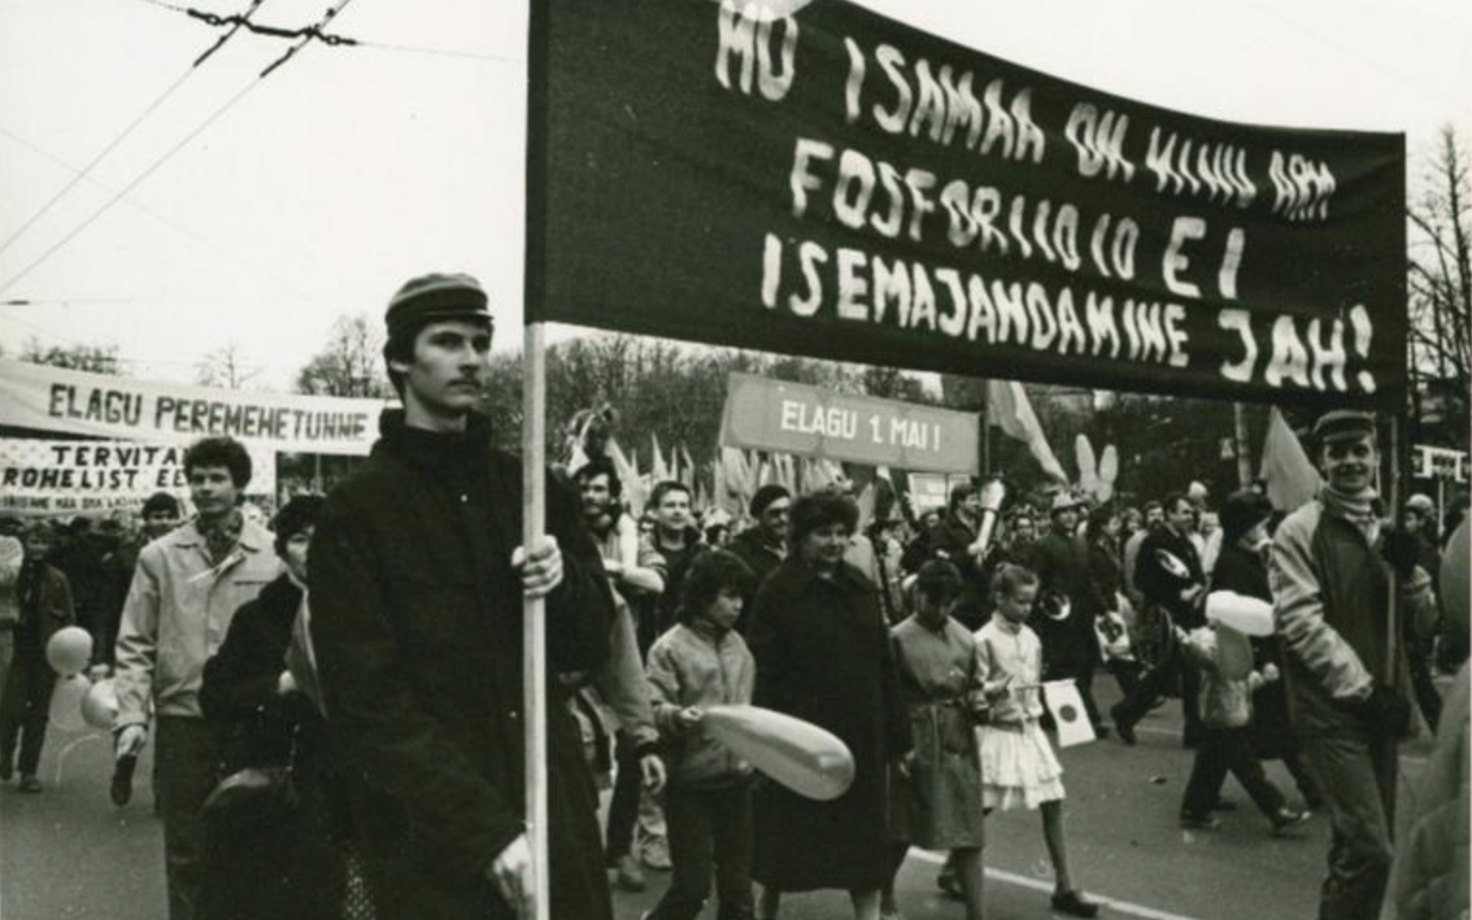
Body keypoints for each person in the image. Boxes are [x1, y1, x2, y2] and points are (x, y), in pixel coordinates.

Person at [307, 272, 615, 920]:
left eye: (480, 341)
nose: (472, 358)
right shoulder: (359, 509)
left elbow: (592, 645)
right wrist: (483, 831)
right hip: (436, 840)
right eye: (448, 341)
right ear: (400, 359)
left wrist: (563, 583)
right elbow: (367, 703)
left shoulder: (531, 489)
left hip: (553, 808)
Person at [1270, 410, 1436, 920]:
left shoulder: (1387, 531)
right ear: (1321, 460)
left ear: (1376, 457)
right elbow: (1301, 624)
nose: (1349, 462)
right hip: (1330, 712)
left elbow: (1424, 624)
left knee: (1356, 848)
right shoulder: (1298, 531)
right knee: (1371, 850)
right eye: (1337, 452)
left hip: (1381, 708)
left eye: (1359, 450)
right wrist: (1363, 691)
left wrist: (1412, 574)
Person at [113, 436, 283, 920]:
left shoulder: (271, 553)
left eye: (217, 478)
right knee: (187, 848)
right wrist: (132, 717)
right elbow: (135, 641)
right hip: (183, 719)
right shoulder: (159, 556)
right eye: (197, 479)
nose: (205, 488)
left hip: (252, 718)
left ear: (239, 484)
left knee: (253, 844)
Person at [197, 495, 378, 920]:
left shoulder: (370, 611)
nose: (314, 549)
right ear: (281, 549)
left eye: (325, 538)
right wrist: (277, 686)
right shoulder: (257, 617)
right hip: (278, 789)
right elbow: (215, 697)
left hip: (353, 786)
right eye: (300, 538)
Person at [747, 492, 908, 920]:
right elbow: (763, 670)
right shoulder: (778, 590)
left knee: (863, 843)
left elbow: (884, 661)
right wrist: (765, 741)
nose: (835, 542)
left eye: (841, 533)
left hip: (861, 735)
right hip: (802, 734)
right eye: (823, 533)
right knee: (786, 838)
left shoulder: (860, 586)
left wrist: (899, 737)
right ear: (801, 536)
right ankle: (768, 907)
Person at [974, 564, 1098, 918]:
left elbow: (1034, 683)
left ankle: (1064, 886)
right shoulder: (983, 639)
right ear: (999, 598)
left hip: (1029, 730)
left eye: (1031, 602)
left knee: (1053, 801)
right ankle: (955, 866)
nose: (1027, 608)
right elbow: (975, 694)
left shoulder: (1032, 638)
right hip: (998, 732)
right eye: (1020, 601)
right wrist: (992, 695)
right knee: (981, 805)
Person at [570, 458, 668, 893]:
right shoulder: (565, 533)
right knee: (579, 768)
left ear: (613, 495)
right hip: (577, 673)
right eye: (584, 488)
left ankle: (620, 848)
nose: (590, 496)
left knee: (633, 752)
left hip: (626, 659)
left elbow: (655, 581)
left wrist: (611, 570)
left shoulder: (633, 539)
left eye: (598, 489)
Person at [643, 549, 758, 920]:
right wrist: (676, 716)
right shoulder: (669, 648)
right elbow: (650, 707)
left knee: (739, 893)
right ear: (703, 595)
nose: (738, 605)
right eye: (729, 595)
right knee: (691, 889)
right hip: (689, 784)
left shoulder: (738, 645)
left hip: (737, 782)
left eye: (741, 596)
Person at [883, 560, 987, 920]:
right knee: (903, 827)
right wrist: (896, 748)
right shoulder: (898, 638)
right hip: (916, 738)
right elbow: (888, 698)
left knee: (969, 830)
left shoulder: (966, 637)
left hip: (958, 738)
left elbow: (974, 687)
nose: (941, 611)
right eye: (933, 602)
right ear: (918, 595)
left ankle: (977, 914)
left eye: (949, 604)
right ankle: (884, 895)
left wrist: (981, 702)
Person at [1215, 490, 1322, 812]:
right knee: (1253, 729)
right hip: (1251, 656)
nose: (1264, 528)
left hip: (1261, 652)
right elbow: (1239, 617)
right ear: (1242, 527)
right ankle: (1307, 787)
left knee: (1236, 733)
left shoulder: (1248, 557)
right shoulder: (1233, 564)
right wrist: (1263, 661)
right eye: (1258, 523)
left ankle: (1199, 799)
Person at [1113, 491, 1207, 747]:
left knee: (1183, 673)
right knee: (1172, 673)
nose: (1190, 516)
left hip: (1186, 615)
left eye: (1191, 512)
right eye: (1184, 512)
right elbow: (1142, 580)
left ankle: (1190, 729)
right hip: (1166, 616)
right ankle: (1127, 713)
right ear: (1169, 514)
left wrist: (1196, 588)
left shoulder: (1186, 541)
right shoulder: (1154, 541)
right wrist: (1177, 594)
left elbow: (1197, 574)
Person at [0, 522, 77, 792]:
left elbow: (69, 620)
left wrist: (71, 660)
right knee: (9, 710)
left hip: (46, 655)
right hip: (16, 652)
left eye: (44, 542)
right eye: (34, 541)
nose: (39, 548)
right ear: (24, 543)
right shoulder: (11, 573)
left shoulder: (57, 579)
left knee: (38, 715)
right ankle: (4, 757)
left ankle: (28, 771)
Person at [1032, 493, 1106, 734]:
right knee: (1061, 667)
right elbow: (1036, 582)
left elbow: (1090, 579)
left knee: (1085, 664)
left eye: (1073, 511)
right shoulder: (1043, 545)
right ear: (1054, 516)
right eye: (1063, 512)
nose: (1069, 516)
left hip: (1083, 616)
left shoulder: (1081, 543)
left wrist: (1105, 608)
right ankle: (1078, 719)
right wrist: (1044, 611)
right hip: (1057, 617)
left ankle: (1062, 714)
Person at [926, 481, 993, 631]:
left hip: (986, 595)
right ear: (960, 502)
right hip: (963, 600)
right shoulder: (944, 528)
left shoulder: (983, 525)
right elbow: (939, 560)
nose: (977, 504)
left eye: (978, 499)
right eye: (973, 499)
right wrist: (966, 554)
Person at [726, 484, 790, 620]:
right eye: (775, 513)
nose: (783, 519)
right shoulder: (739, 552)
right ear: (758, 516)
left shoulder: (799, 547)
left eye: (787, 512)